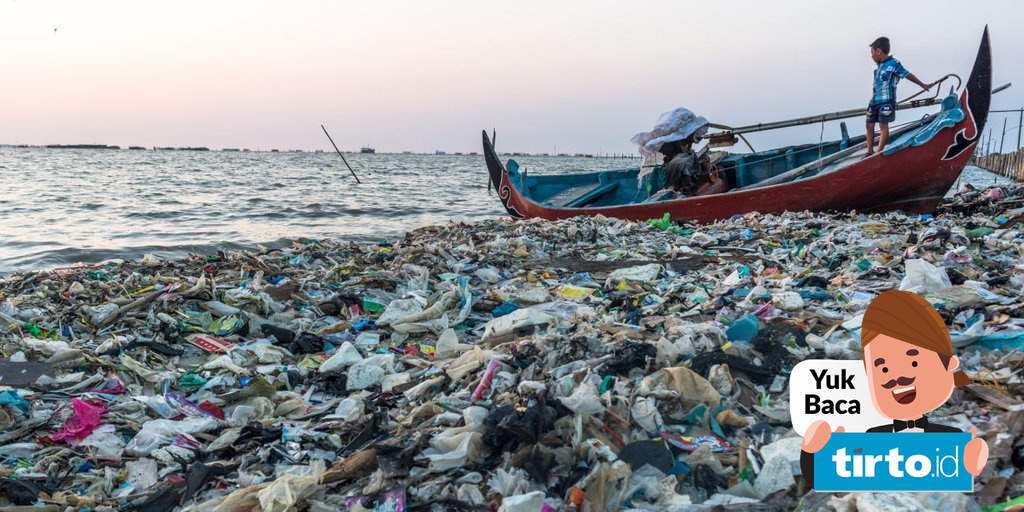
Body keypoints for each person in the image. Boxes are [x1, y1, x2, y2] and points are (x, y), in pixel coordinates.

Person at [798, 289, 989, 489]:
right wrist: (812, 453)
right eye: (884, 368)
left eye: (913, 363)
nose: (897, 378)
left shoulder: (951, 441)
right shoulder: (871, 439)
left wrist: (973, 463)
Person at [865, 37, 932, 156]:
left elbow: (907, 74)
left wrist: (922, 84)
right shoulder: (879, 66)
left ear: (879, 51)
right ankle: (869, 151)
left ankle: (878, 153)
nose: (871, 56)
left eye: (872, 53)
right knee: (869, 125)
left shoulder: (894, 64)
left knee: (883, 126)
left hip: (887, 101)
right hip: (874, 100)